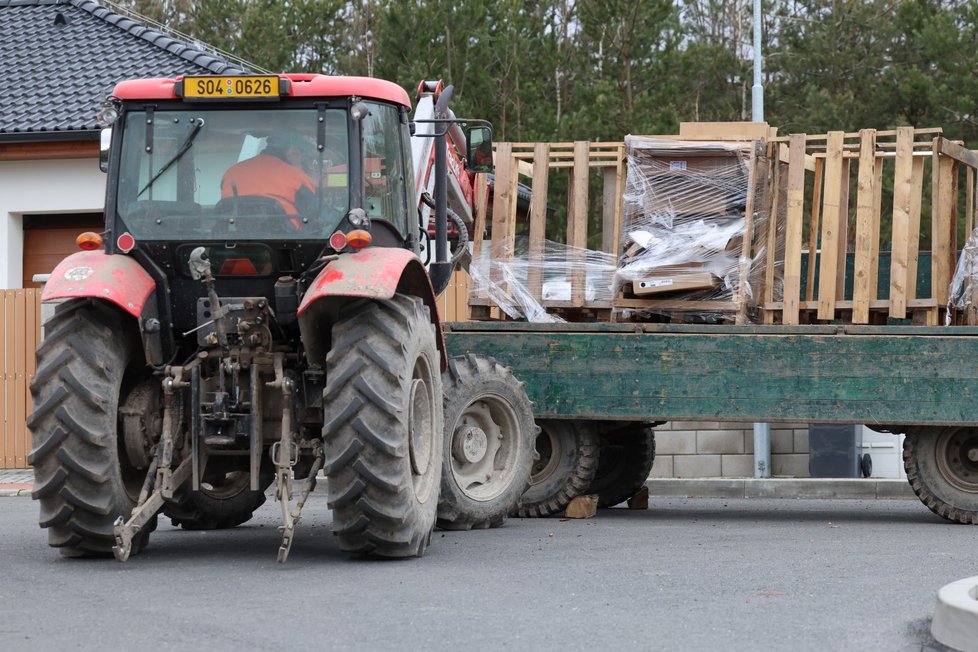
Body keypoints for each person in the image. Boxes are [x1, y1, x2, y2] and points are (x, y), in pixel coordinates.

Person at [221, 131, 317, 215]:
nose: (301, 159)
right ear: (292, 150)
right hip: (286, 234)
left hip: (233, 233)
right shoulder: (296, 177)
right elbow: (315, 213)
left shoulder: (231, 172)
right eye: (301, 154)